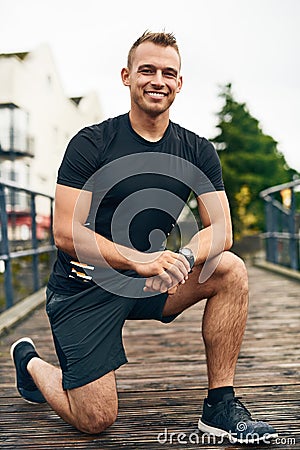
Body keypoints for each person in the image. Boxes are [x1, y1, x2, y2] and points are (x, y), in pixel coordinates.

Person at [10, 31, 277, 444]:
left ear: (180, 83)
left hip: (149, 282)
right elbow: (65, 232)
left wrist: (184, 257)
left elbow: (222, 228)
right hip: (84, 288)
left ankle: (220, 406)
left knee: (230, 270)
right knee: (96, 418)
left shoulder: (197, 150)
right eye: (147, 70)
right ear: (126, 76)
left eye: (169, 73)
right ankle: (29, 363)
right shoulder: (91, 143)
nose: (158, 80)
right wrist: (137, 259)